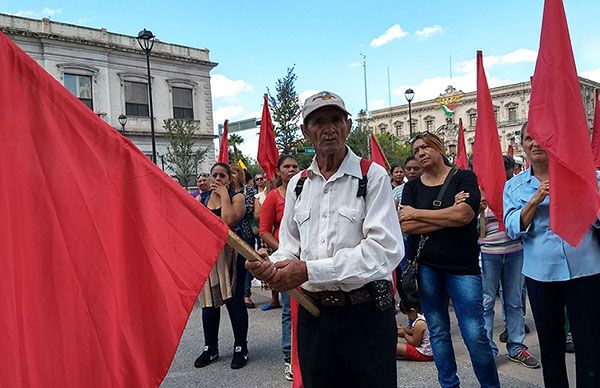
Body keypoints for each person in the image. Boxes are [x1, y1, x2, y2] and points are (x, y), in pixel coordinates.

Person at [246, 91, 403, 388]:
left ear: (348, 125)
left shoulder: (373, 176)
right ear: (306, 132)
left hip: (365, 316)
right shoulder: (298, 184)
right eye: (318, 122)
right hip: (314, 316)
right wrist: (271, 266)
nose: (328, 128)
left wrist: (307, 271)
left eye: (335, 119)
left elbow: (384, 251)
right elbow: (290, 248)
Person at [399, 132, 500, 388]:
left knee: (475, 333)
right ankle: (448, 385)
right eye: (416, 149)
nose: (420, 153)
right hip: (427, 269)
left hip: (462, 268)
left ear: (440, 147)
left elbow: (464, 217)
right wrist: (447, 214)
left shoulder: (463, 177)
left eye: (425, 147)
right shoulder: (411, 187)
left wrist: (420, 214)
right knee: (439, 332)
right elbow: (406, 225)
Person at [503, 122, 600, 388]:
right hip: (541, 274)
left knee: (590, 345)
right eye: (528, 139)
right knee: (551, 345)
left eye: (540, 137)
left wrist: (581, 193)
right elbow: (512, 229)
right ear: (522, 145)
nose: (534, 144)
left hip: (586, 269)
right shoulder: (514, 186)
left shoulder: (586, 176)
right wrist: (536, 199)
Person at [478, 155, 540, 368]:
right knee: (486, 302)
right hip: (488, 254)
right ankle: (487, 349)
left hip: (515, 252)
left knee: (514, 301)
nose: (503, 173)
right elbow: (468, 226)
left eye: (507, 169)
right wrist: (477, 209)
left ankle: (516, 346)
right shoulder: (480, 191)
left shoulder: (516, 190)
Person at [194, 163, 250, 370]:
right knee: (209, 303)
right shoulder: (203, 199)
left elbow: (227, 221)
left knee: (234, 302)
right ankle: (211, 347)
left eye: (222, 175)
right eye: (214, 175)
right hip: (209, 256)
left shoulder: (237, 197)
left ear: (229, 178)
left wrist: (225, 195)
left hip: (232, 256)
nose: (218, 178)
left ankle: (240, 347)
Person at [258, 155, 300, 381]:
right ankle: (289, 357)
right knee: (288, 309)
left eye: (295, 166)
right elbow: (263, 230)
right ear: (279, 171)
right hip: (286, 260)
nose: (292, 170)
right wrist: (285, 248)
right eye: (287, 166)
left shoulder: (306, 190)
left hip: (309, 262)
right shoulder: (273, 197)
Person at [230, 164, 257, 310]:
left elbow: (248, 209)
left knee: (246, 265)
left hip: (246, 233)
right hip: (230, 235)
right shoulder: (226, 192)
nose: (232, 175)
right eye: (230, 173)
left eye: (234, 172)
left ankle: (246, 294)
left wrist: (233, 208)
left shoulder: (249, 190)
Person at [396, 298, 434, 362]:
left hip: (424, 353)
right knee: (402, 346)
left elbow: (415, 343)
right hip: (431, 351)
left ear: (412, 311)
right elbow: (416, 332)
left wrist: (404, 334)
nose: (408, 317)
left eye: (408, 314)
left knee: (394, 347)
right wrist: (404, 329)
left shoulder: (419, 323)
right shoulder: (424, 316)